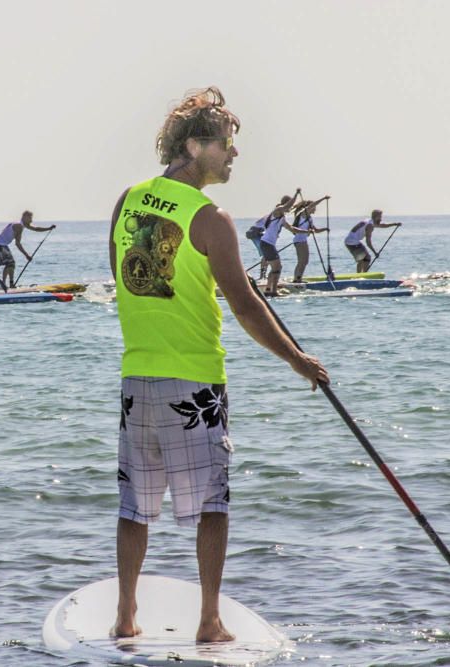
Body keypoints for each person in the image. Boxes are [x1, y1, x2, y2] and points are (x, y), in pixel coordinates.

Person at [108, 86, 328, 643]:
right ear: (194, 144)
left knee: (135, 505)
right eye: (227, 144)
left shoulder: (129, 199)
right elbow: (247, 307)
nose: (234, 155)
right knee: (213, 504)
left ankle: (125, 616)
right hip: (195, 380)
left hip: (138, 375)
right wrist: (299, 361)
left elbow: (127, 275)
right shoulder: (211, 217)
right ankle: (209, 620)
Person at [0, 210, 55, 288]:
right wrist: (27, 255)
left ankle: (8, 284)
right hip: (0, 244)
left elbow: (36, 229)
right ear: (24, 217)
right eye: (30, 218)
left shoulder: (22, 224)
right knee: (10, 263)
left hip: (2, 244)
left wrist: (49, 228)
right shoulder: (19, 226)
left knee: (10, 264)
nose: (31, 220)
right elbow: (17, 244)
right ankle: (5, 284)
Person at [258, 189, 302, 296]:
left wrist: (307, 231)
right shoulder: (276, 211)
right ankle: (273, 291)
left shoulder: (282, 218)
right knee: (277, 267)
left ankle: (269, 290)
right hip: (266, 243)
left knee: (275, 268)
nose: (290, 209)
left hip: (268, 244)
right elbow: (287, 206)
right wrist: (296, 194)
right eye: (289, 206)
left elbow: (292, 228)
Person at [290, 196, 328, 282]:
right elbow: (311, 205)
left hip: (303, 240)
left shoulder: (309, 218)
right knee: (302, 261)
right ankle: (297, 279)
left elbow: (316, 230)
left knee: (305, 261)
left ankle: (298, 278)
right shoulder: (303, 214)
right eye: (314, 207)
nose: (315, 209)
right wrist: (323, 198)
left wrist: (325, 229)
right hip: (299, 240)